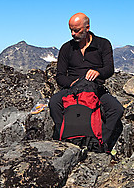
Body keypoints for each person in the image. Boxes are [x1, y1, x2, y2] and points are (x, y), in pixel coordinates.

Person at [50, 12, 123, 153]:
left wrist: (98, 73)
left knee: (116, 109)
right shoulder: (66, 48)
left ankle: (99, 143)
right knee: (54, 103)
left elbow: (109, 69)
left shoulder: (103, 44)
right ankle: (64, 141)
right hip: (73, 90)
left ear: (87, 28)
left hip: (96, 89)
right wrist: (74, 83)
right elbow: (60, 76)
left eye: (76, 30)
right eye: (71, 30)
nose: (72, 33)